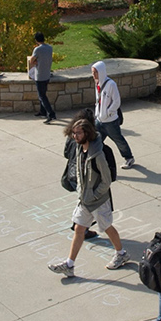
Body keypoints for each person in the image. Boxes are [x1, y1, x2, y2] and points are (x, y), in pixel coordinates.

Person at [49, 115, 129, 276]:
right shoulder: (80, 149)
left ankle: (121, 254)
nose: (74, 136)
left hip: (98, 201)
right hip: (84, 199)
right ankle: (69, 265)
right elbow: (79, 172)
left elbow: (106, 180)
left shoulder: (98, 155)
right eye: (73, 133)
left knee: (107, 227)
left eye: (78, 133)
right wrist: (81, 191)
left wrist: (93, 195)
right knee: (79, 228)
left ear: (87, 133)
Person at [91, 60, 135, 168]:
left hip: (110, 121)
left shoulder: (111, 84)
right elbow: (98, 100)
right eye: (92, 72)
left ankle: (129, 158)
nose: (93, 75)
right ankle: (94, 160)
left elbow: (116, 102)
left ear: (101, 72)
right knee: (96, 141)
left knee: (119, 140)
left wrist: (108, 112)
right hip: (99, 120)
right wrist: (98, 114)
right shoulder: (97, 83)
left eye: (95, 72)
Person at [26, 32, 56, 124]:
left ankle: (51, 114)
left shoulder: (37, 49)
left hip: (39, 76)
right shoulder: (49, 48)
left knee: (42, 96)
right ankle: (42, 112)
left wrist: (36, 63)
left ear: (36, 40)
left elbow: (31, 60)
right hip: (47, 74)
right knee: (43, 93)